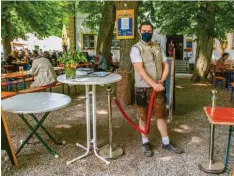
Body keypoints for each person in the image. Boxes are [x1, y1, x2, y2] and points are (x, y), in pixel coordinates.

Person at [130, 21, 183, 157]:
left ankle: (166, 142)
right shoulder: (136, 48)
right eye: (144, 31)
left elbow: (166, 65)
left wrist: (162, 80)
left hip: (158, 88)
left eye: (149, 31)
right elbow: (140, 70)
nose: (147, 33)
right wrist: (154, 84)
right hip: (143, 88)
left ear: (152, 31)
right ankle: (145, 142)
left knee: (161, 115)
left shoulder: (158, 47)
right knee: (142, 116)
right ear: (140, 31)